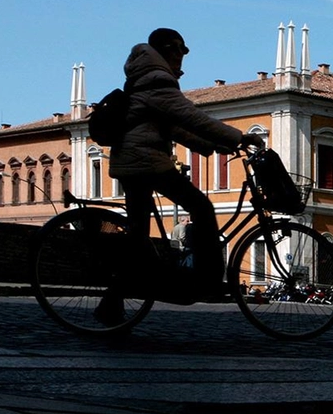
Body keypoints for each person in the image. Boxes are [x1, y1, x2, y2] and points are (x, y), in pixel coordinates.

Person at [96, 28, 260, 326]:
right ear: (169, 50)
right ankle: (207, 279)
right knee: (202, 207)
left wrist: (214, 146)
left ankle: (111, 302)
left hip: (133, 164)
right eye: (181, 52)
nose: (182, 60)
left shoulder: (142, 80)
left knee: (137, 237)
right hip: (146, 163)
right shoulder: (157, 81)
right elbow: (190, 117)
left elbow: (174, 128)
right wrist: (240, 137)